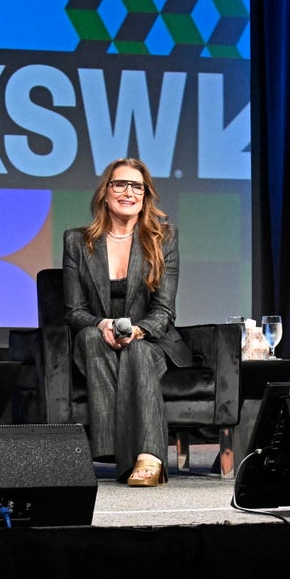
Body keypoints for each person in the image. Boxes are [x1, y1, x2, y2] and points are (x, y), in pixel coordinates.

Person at [63, 157, 191, 487]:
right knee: (91, 336)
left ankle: (150, 457)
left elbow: (164, 310)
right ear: (105, 193)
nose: (128, 192)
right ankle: (113, 450)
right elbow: (74, 310)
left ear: (146, 195)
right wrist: (104, 324)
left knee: (137, 352)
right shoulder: (77, 241)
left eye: (137, 186)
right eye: (120, 184)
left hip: (150, 338)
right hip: (97, 341)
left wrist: (137, 330)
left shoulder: (164, 238)